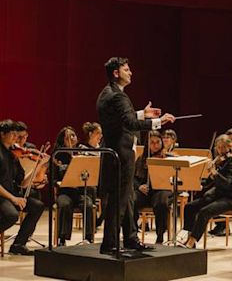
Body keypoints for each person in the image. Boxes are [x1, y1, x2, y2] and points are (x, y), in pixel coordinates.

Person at [96, 57, 175, 254]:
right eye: (126, 70)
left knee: (126, 199)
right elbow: (129, 124)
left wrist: (142, 113)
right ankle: (110, 244)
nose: (130, 73)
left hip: (114, 153)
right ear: (116, 73)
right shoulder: (119, 96)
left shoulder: (107, 93)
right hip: (121, 155)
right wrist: (158, 122)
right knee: (119, 201)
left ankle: (130, 238)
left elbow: (121, 119)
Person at [179, 134, 232, 248]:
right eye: (218, 147)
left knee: (204, 212)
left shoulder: (231, 163)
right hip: (217, 195)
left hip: (229, 198)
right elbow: (212, 183)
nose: (220, 150)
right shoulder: (220, 162)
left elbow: (226, 184)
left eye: (223, 147)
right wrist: (203, 181)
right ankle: (187, 235)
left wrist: (215, 173)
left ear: (229, 147)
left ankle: (192, 241)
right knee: (189, 207)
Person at [0, 119, 44, 255]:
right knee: (11, 215)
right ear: (2, 134)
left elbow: (22, 183)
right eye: (12, 134)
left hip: (10, 194)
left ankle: (18, 244)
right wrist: (14, 199)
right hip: (2, 196)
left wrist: (38, 167)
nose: (16, 138)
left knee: (37, 206)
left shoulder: (13, 155)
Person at [54, 126, 95, 245]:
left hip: (80, 192)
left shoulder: (82, 154)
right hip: (65, 191)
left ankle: (88, 238)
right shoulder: (58, 155)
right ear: (63, 140)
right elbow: (53, 178)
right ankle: (62, 239)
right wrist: (60, 183)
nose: (72, 138)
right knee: (65, 204)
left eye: (73, 135)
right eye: (68, 137)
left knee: (88, 204)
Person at [133, 131, 173, 243]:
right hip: (145, 191)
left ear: (162, 143)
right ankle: (132, 233)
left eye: (158, 142)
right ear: (148, 144)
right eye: (152, 143)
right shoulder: (141, 159)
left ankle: (160, 235)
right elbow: (132, 178)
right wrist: (139, 186)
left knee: (161, 202)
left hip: (161, 190)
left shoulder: (167, 158)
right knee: (131, 200)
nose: (155, 145)